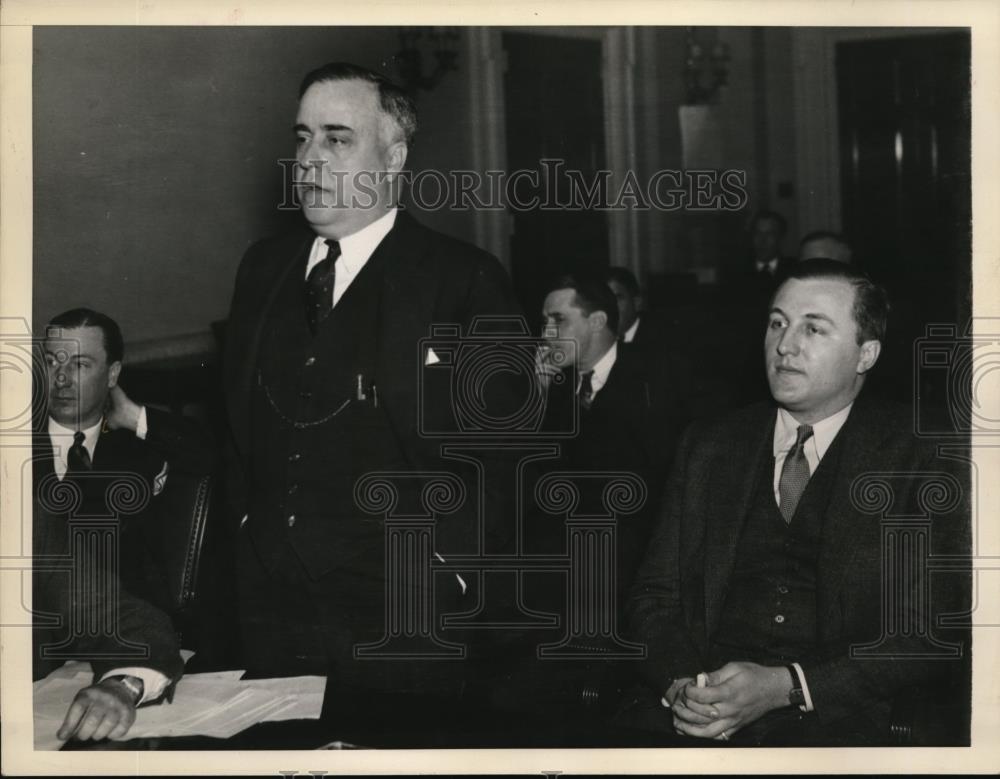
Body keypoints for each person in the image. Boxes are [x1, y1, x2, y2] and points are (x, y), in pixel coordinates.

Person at [221, 62, 521, 689]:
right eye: (301, 137)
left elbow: (503, 451)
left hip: (404, 604)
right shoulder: (262, 268)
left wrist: (453, 568)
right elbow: (235, 422)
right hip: (268, 599)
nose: (309, 160)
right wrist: (247, 528)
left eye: (336, 138)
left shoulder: (463, 278)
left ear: (393, 158)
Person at [625, 259, 970, 745]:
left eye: (814, 328)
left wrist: (786, 686)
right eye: (777, 323)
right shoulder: (710, 444)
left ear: (865, 354)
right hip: (692, 715)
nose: (785, 345)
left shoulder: (920, 457)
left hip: (834, 725)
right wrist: (685, 686)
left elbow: (925, 632)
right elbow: (652, 598)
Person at [38, 308, 214, 611]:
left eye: (80, 364)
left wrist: (135, 418)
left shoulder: (137, 452)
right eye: (52, 362)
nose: (61, 378)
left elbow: (222, 457)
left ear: (113, 374)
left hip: (123, 631)